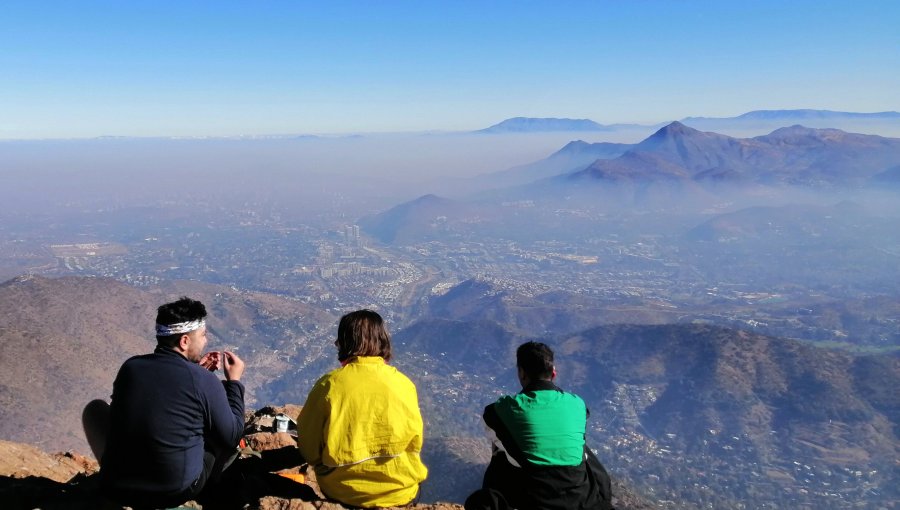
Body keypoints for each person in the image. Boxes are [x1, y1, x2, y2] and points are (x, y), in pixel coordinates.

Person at [82, 296, 247, 508]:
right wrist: (234, 382)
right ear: (184, 341)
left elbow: (140, 413)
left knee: (94, 409)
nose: (206, 341)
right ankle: (211, 493)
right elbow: (231, 436)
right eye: (203, 335)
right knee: (216, 430)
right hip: (173, 490)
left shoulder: (130, 367)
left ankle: (121, 473)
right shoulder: (202, 379)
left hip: (117, 487)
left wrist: (197, 374)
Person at [296, 309, 428, 508]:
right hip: (401, 492)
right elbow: (415, 442)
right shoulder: (403, 384)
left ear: (344, 343)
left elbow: (310, 451)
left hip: (343, 492)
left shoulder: (329, 385)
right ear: (382, 341)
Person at [465, 341, 614, 510]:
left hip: (533, 501)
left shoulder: (502, 409)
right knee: (581, 449)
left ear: (521, 373)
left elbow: (490, 422)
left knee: (501, 452)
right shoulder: (577, 404)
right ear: (554, 372)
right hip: (583, 501)